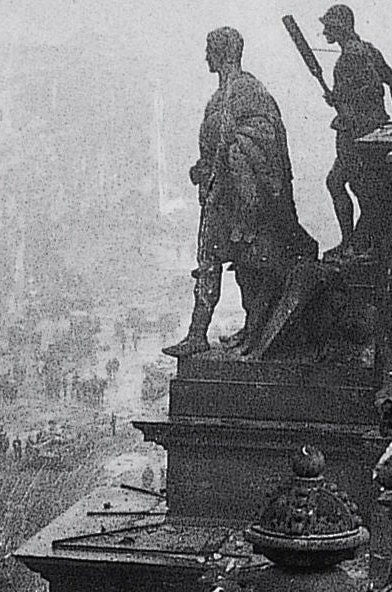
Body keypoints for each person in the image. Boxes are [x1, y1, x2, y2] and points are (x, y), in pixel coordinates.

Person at [163, 27, 317, 359]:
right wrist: (203, 168)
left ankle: (243, 330)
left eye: (209, 49)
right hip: (220, 193)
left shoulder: (246, 88)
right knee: (214, 262)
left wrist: (234, 157)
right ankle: (201, 334)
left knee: (245, 264)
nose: (205, 56)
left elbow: (264, 135)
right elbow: (214, 142)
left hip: (243, 198)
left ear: (222, 52)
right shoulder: (221, 94)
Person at [320, 4, 392, 259]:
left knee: (351, 187)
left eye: (328, 26)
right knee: (356, 187)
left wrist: (338, 101)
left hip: (355, 136)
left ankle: (354, 243)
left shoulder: (347, 60)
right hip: (373, 132)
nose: (324, 32)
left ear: (339, 28)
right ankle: (358, 242)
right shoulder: (368, 49)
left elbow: (354, 102)